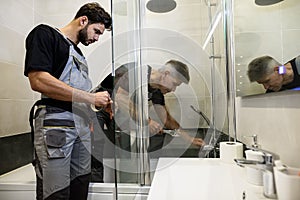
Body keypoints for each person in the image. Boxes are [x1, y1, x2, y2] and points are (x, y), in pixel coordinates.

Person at [24, 3, 112, 200]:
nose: (96, 38)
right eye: (96, 31)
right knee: (56, 192)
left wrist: (96, 105)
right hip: (56, 125)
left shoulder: (79, 55)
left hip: (81, 126)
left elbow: (76, 93)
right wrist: (91, 97)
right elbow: (38, 79)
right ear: (83, 21)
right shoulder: (46, 35)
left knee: (80, 184)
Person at [90, 60, 204, 182]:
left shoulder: (156, 90)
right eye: (174, 84)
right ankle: (94, 189)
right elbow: (121, 98)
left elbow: (166, 118)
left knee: (123, 152)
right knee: (96, 152)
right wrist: (147, 121)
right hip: (97, 107)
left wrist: (189, 138)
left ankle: (126, 189)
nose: (174, 89)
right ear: (166, 73)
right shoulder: (137, 72)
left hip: (115, 113)